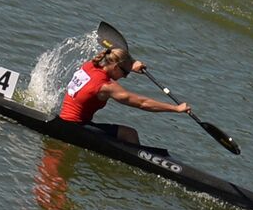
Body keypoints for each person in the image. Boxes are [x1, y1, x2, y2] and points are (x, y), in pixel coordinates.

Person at [58, 47, 189, 145]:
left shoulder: (90, 65)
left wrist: (131, 65)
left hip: (64, 119)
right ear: (115, 67)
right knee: (129, 134)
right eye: (125, 72)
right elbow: (142, 103)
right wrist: (176, 109)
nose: (126, 76)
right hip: (75, 128)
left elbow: (115, 52)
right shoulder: (106, 86)